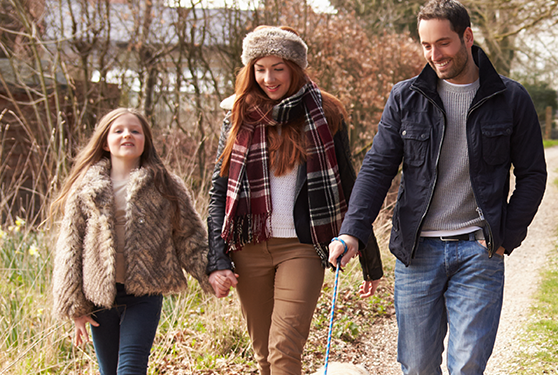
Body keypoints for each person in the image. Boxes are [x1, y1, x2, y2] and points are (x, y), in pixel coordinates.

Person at [326, 1, 547, 374]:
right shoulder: (406, 97)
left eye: (443, 43)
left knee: (468, 365)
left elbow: (533, 174)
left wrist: (507, 234)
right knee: (416, 365)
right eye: (426, 45)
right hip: (418, 252)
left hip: (479, 252)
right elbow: (378, 169)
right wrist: (352, 233)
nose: (434, 55)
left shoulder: (511, 98)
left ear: (467, 37)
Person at [205, 26, 383, 375]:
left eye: (278, 68)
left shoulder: (324, 114)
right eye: (260, 68)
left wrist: (370, 258)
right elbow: (218, 190)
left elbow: (349, 183)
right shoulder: (238, 116)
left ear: (295, 68)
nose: (268, 78)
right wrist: (216, 258)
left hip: (301, 247)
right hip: (248, 247)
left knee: (284, 351)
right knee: (264, 358)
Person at [50, 108, 213, 375]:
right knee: (110, 371)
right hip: (100, 299)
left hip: (144, 296)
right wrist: (75, 306)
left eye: (135, 130)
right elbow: (70, 246)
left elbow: (189, 237)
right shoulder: (86, 188)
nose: (128, 134)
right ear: (105, 141)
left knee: (131, 368)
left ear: (145, 141)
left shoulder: (165, 185)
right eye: (119, 130)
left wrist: (211, 273)